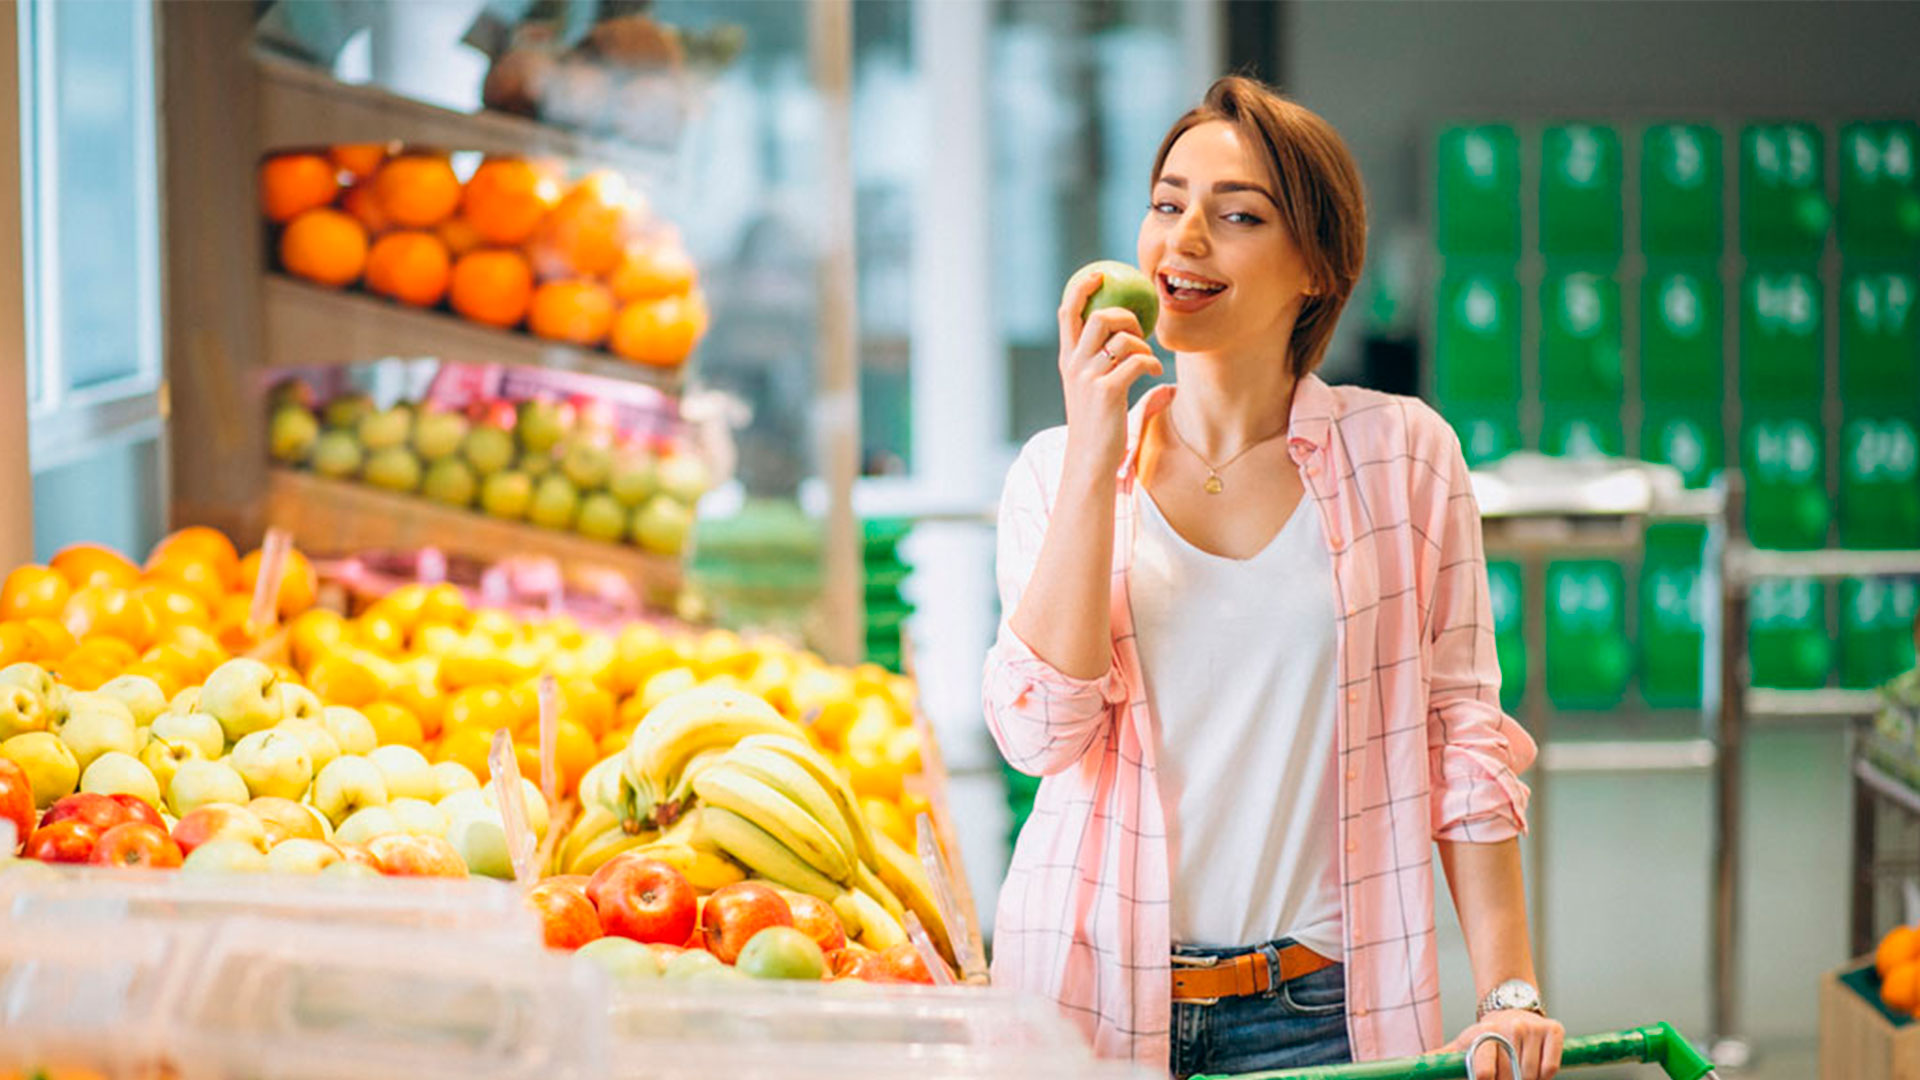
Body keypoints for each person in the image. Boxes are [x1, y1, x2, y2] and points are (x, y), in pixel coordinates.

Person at [982, 76, 1562, 1080]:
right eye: (1168, 204)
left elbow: (1461, 738)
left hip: (1325, 1014)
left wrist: (1509, 995)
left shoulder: (1405, 458)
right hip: (1091, 1005)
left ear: (1316, 268)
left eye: (1238, 213)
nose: (1186, 236)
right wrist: (1092, 449)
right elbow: (1040, 734)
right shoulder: (1057, 469)